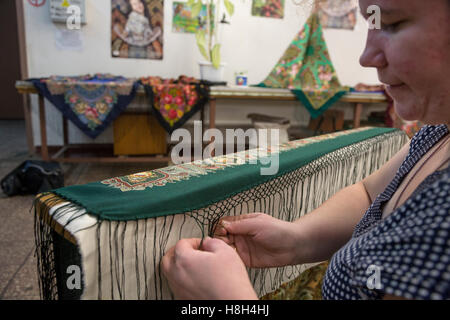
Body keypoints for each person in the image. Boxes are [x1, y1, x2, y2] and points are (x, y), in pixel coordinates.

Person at [161, 0, 450, 300]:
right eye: (371, 22)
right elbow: (370, 195)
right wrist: (296, 239)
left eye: (392, 24)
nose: (366, 57)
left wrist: (227, 299)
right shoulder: (437, 133)